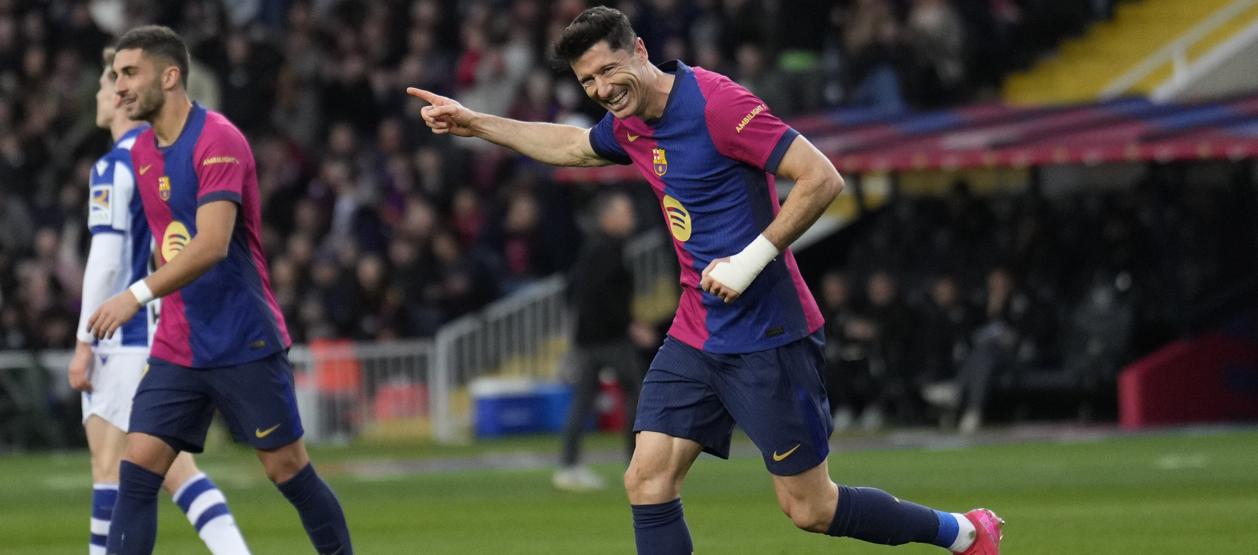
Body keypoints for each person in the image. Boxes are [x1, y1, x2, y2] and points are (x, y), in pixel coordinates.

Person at [408, 6, 1003, 554]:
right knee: (646, 479)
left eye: (608, 71)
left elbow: (821, 177)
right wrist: (475, 123)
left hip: (768, 334)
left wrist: (750, 260)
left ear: (640, 50)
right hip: (696, 330)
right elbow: (574, 146)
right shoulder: (630, 122)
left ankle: (963, 533)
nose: (602, 90)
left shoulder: (718, 104)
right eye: (588, 82)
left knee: (810, 508)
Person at [86, 26, 352, 555]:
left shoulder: (218, 139)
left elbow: (210, 245)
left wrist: (134, 296)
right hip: (179, 344)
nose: (119, 87)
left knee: (287, 469)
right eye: (115, 76)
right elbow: (169, 244)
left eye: (130, 73)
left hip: (241, 337)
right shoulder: (143, 153)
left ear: (170, 76)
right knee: (137, 470)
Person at [69, 45, 251, 555]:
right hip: (161, 330)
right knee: (174, 470)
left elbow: (106, 260)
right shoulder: (165, 161)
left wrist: (84, 341)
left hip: (120, 336)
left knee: (110, 469)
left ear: (120, 98)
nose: (101, 94)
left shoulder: (114, 167)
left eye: (106, 85)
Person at [554, 191, 653, 492]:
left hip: (588, 338)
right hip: (608, 338)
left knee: (583, 402)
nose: (631, 217)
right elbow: (602, 295)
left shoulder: (593, 248)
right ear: (608, 217)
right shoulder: (607, 249)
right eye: (625, 212)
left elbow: (576, 290)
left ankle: (568, 466)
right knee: (638, 395)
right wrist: (630, 324)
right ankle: (636, 463)